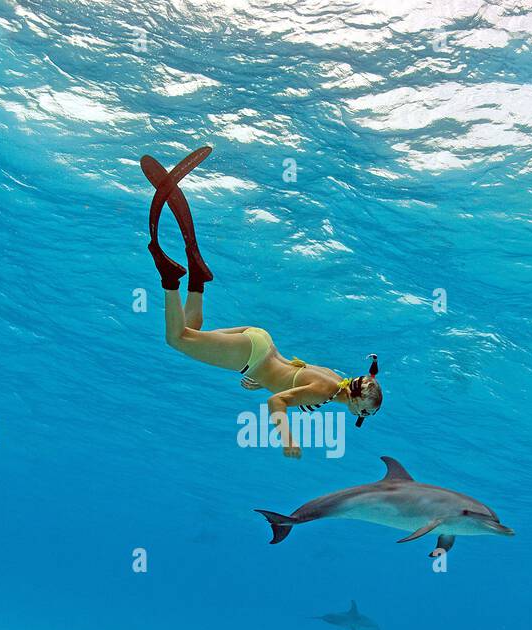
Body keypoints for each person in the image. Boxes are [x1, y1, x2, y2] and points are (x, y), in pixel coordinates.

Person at [142, 148, 383, 458]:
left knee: (190, 329)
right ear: (359, 405)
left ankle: (197, 281)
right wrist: (288, 439)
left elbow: (295, 372)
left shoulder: (336, 379)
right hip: (251, 355)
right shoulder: (326, 391)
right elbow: (277, 402)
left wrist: (264, 381)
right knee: (175, 339)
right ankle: (170, 277)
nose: (366, 417)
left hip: (262, 343)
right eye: (368, 412)